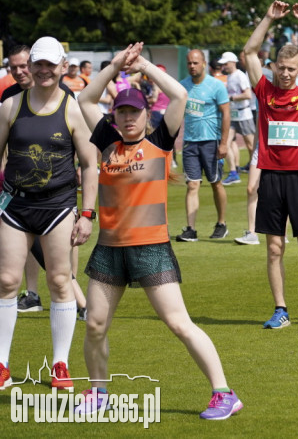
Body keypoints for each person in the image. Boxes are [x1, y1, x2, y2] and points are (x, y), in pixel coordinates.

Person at [76, 44, 242, 420]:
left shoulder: (159, 142)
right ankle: (98, 391)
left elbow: (180, 95)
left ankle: (224, 393)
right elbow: (86, 98)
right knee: (96, 325)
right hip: (109, 249)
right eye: (122, 111)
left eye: (134, 111)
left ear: (146, 112)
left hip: (151, 248)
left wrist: (143, 65)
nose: (129, 117)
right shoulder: (107, 142)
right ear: (115, 116)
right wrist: (116, 65)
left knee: (178, 323)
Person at [0, 37, 98, 391]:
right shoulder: (10, 106)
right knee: (8, 281)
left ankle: (60, 364)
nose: (42, 70)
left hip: (58, 207)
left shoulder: (73, 109)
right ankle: (2, 365)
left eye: (49, 65)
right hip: (15, 206)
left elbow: (90, 164)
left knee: (60, 281)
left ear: (62, 66)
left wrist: (87, 214)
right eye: (37, 64)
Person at [242, 1, 298, 329]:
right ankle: (280, 309)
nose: (285, 73)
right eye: (281, 67)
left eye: (291, 69)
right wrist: (268, 17)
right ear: (274, 66)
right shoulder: (263, 90)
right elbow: (249, 52)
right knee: (274, 248)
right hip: (271, 177)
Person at [176, 50, 230, 242]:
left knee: (215, 183)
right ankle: (191, 229)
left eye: (196, 63)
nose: (192, 66)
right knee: (192, 185)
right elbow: (177, 113)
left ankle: (221, 223)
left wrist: (224, 143)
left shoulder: (216, 86)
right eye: (189, 63)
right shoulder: (182, 86)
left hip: (211, 142)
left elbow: (226, 113)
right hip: (190, 143)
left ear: (204, 63)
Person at [219, 52, 255, 185]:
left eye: (226, 64)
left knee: (251, 145)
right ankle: (233, 172)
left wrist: (230, 98)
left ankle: (257, 168)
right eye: (223, 64)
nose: (224, 66)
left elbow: (247, 94)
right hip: (233, 114)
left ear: (233, 62)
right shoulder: (230, 77)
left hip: (244, 114)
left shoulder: (240, 75)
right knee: (225, 143)